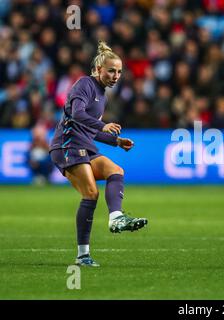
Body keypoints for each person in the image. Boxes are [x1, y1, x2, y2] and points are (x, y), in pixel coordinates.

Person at [49, 41, 148, 267]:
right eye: (111, 71)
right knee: (91, 193)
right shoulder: (85, 83)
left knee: (116, 171)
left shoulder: (101, 95)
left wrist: (116, 141)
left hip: (84, 145)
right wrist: (102, 126)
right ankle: (82, 256)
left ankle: (116, 218)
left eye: (119, 72)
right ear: (98, 70)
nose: (116, 76)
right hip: (68, 145)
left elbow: (90, 128)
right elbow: (76, 115)